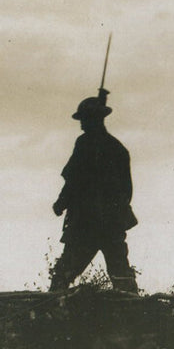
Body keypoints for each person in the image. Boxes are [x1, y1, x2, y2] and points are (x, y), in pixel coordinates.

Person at [49, 96, 138, 292]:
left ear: (93, 119)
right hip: (112, 224)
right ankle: (136, 314)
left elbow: (73, 180)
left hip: (85, 224)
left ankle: (52, 313)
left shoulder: (84, 144)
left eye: (84, 119)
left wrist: (61, 203)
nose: (81, 124)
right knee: (121, 276)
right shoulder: (118, 148)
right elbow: (126, 192)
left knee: (62, 276)